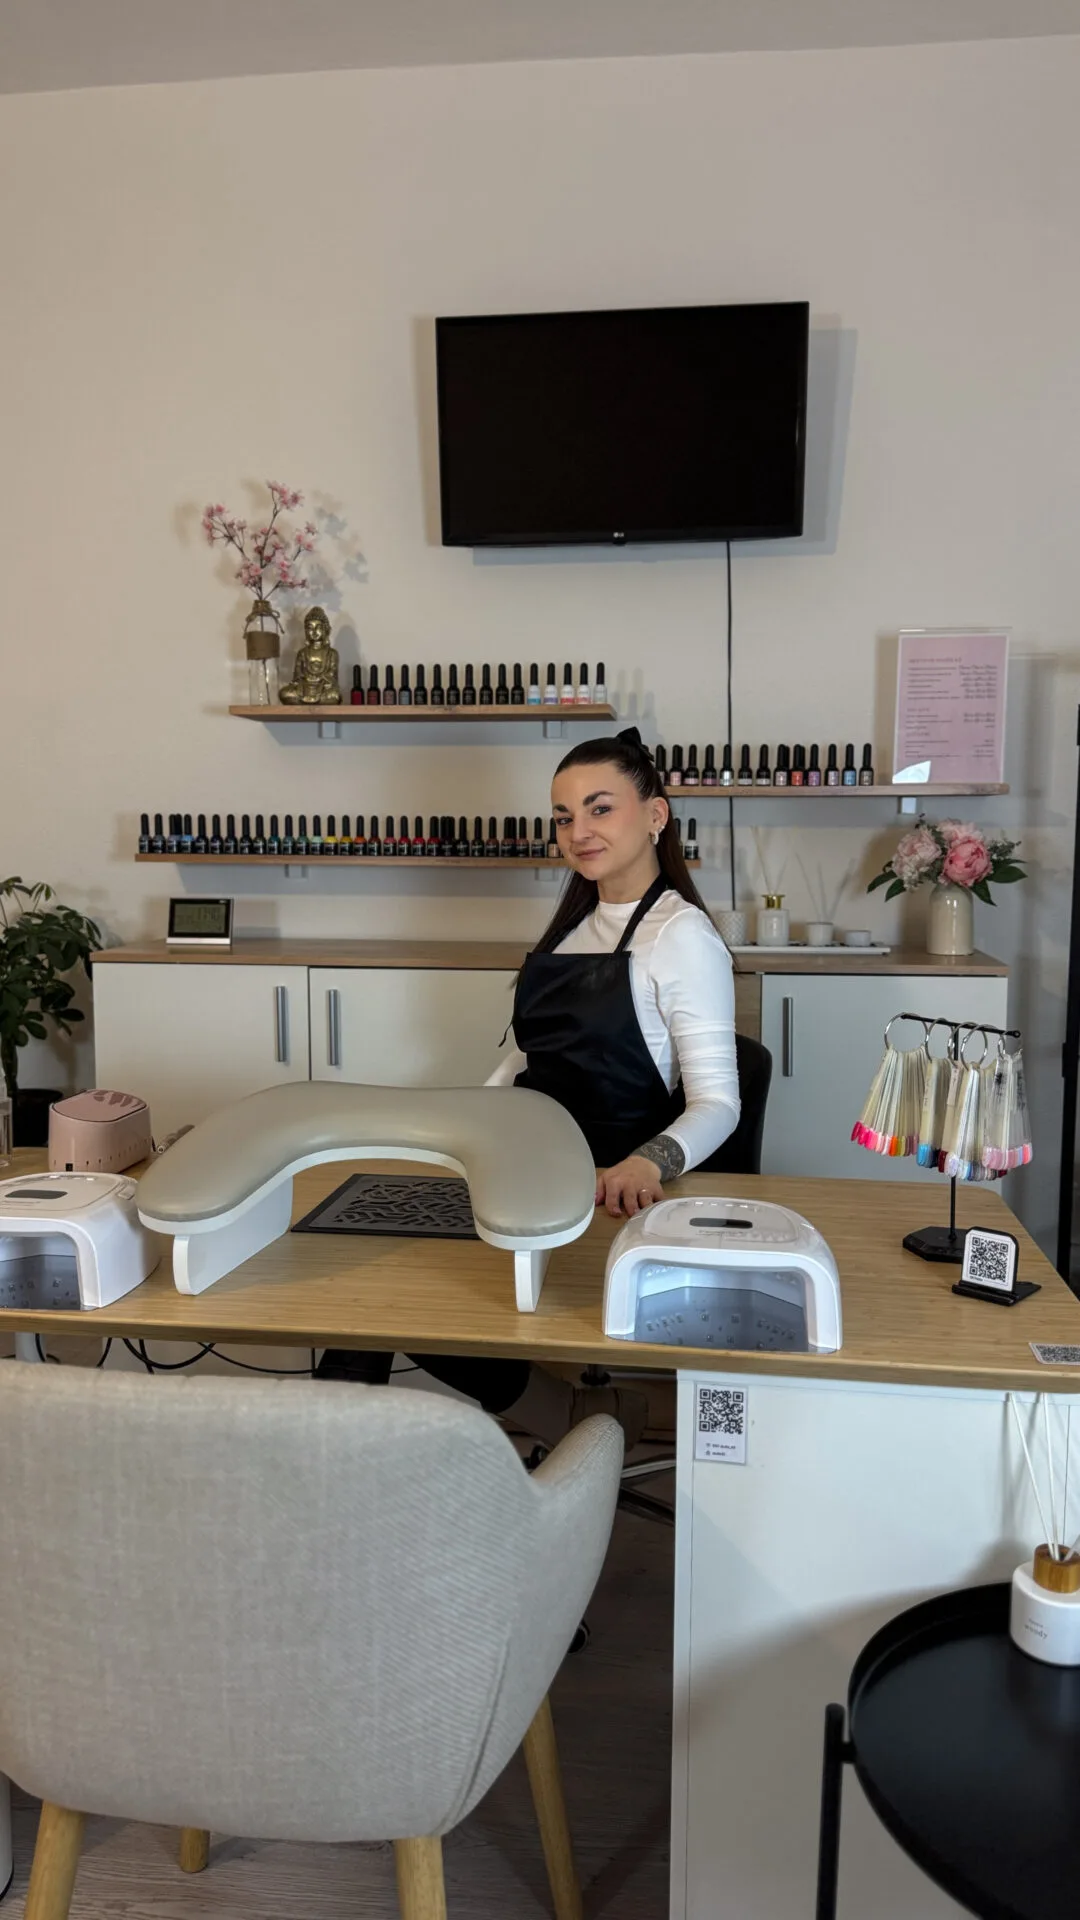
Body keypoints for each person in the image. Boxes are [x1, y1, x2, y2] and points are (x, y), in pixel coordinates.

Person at [318, 728, 740, 1446]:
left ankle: (331, 1465)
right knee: (378, 1287)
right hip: (531, 1172)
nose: (579, 832)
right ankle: (567, 1422)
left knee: (406, 1302)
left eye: (600, 809)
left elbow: (719, 1103)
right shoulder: (573, 928)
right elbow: (523, 1060)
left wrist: (648, 1163)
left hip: (607, 1192)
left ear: (655, 816)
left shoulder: (681, 936)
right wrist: (473, 1134)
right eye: (564, 817)